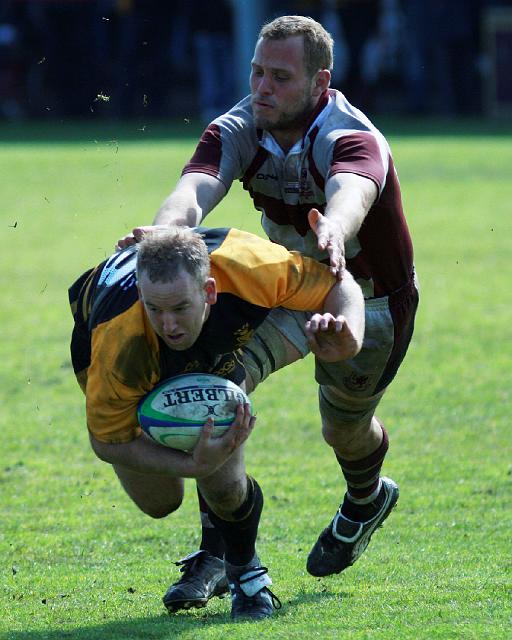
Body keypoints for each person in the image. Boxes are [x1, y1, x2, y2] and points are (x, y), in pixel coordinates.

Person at [118, 13, 419, 607]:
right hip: (280, 289)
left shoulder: (352, 135)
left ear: (319, 82)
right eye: (257, 72)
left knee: (343, 428)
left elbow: (351, 191)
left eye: (280, 77)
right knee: (210, 390)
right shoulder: (238, 126)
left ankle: (365, 499)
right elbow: (194, 189)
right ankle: (220, 555)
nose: (261, 88)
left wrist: (332, 231)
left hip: (368, 299)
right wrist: (166, 228)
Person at [70, 224, 365, 620]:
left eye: (179, 308)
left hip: (214, 354)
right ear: (141, 296)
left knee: (224, 485)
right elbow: (107, 441)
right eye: (155, 308)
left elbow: (337, 281)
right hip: (123, 361)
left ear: (209, 291)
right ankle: (215, 548)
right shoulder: (119, 344)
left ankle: (246, 577)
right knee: (161, 502)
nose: (168, 324)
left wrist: (351, 333)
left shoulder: (251, 266)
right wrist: (189, 465)